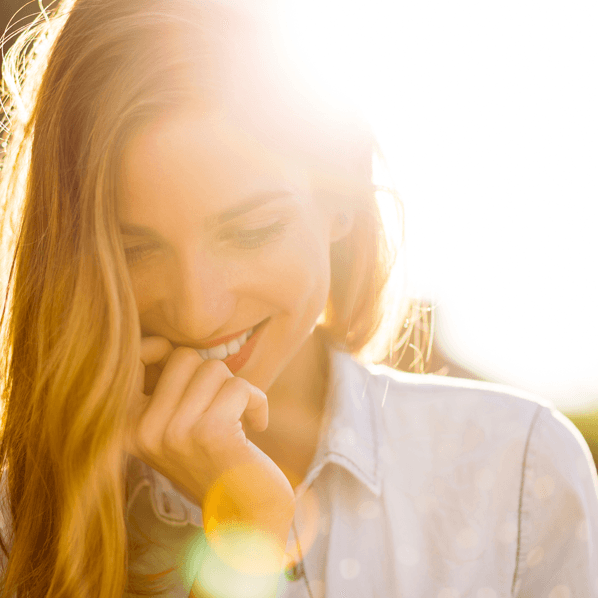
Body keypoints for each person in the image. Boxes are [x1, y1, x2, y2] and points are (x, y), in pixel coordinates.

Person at [1, 1, 597, 597]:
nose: (197, 311)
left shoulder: (517, 469)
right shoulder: (19, 523)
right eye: (134, 250)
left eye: (251, 231)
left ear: (340, 200)